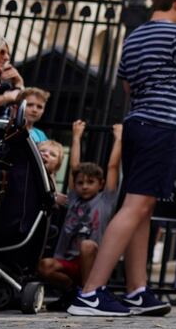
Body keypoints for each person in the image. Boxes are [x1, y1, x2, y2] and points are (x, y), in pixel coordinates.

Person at [68, 0, 176, 317]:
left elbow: (127, 85)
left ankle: (136, 289)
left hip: (136, 123)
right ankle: (90, 292)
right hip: (161, 125)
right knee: (136, 207)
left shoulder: (134, 37)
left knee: (139, 206)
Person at [39, 121, 121, 306]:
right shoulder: (74, 198)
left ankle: (88, 294)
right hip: (69, 261)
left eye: (90, 182)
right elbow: (74, 166)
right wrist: (76, 137)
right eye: (80, 182)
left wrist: (119, 139)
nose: (84, 186)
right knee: (44, 266)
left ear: (100, 184)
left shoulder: (105, 200)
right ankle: (72, 292)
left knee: (87, 245)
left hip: (93, 264)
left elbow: (113, 167)